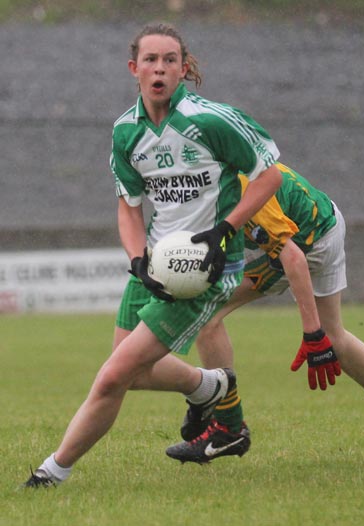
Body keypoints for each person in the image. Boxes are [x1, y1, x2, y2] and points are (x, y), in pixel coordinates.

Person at [23, 22, 283, 488]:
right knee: (134, 375)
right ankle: (211, 386)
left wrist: (226, 229)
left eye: (169, 60)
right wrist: (137, 257)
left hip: (206, 267)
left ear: (183, 69)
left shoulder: (211, 120)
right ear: (133, 68)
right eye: (150, 60)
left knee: (112, 376)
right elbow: (129, 205)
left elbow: (269, 176)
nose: (159, 68)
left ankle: (51, 472)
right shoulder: (126, 132)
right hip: (156, 263)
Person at [164, 162, 364, 467]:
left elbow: (291, 257)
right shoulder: (220, 166)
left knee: (207, 313)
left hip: (308, 244)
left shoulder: (238, 191)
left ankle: (229, 426)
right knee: (336, 337)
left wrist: (312, 334)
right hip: (325, 218)